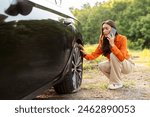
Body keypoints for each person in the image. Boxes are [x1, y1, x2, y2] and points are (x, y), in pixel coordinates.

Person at [80, 19, 135, 90]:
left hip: (127, 65)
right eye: (103, 29)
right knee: (101, 65)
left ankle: (116, 83)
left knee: (113, 55)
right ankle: (118, 82)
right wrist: (84, 54)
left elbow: (121, 58)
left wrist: (112, 45)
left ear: (113, 30)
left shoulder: (122, 38)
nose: (104, 31)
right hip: (116, 64)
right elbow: (94, 55)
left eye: (106, 28)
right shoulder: (103, 41)